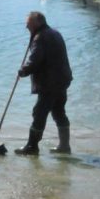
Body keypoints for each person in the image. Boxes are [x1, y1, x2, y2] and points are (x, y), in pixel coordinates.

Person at [14, 11, 73, 155]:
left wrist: (23, 71)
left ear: (36, 23)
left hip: (50, 83)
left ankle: (32, 146)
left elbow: (35, 60)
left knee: (39, 112)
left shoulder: (40, 38)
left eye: (28, 24)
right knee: (59, 112)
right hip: (62, 80)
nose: (26, 27)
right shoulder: (54, 33)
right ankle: (64, 147)